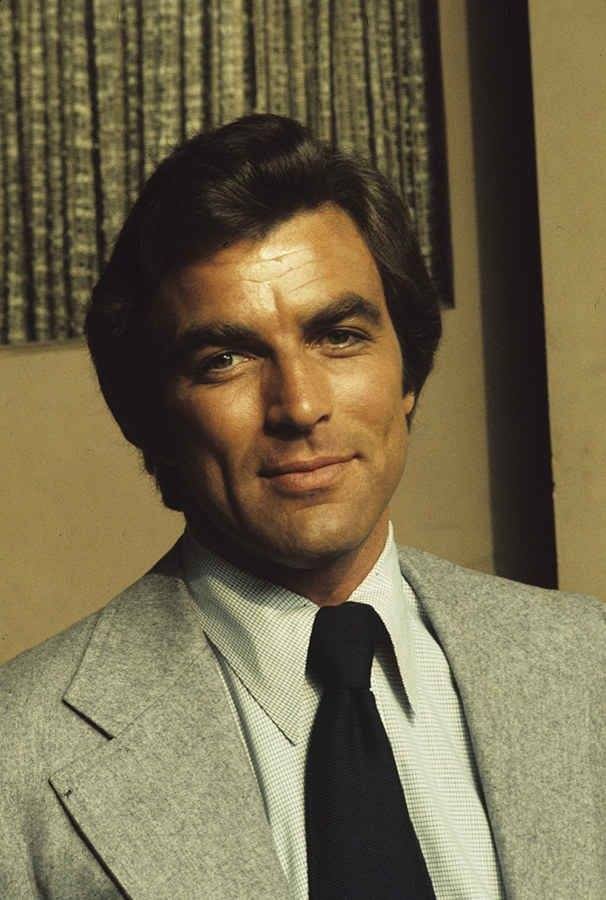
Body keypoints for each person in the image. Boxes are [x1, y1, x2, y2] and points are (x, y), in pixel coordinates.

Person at [0, 114, 603, 900]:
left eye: (339, 336)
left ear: (407, 373)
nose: (300, 404)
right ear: (147, 416)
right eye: (226, 358)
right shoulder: (19, 758)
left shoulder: (589, 664)